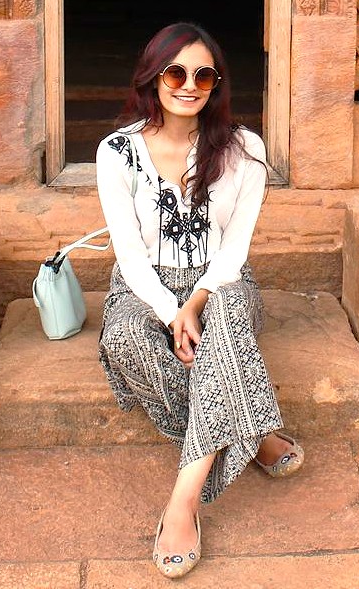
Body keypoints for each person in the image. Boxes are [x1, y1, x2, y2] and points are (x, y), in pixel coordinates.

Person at [95, 22, 304, 578]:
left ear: (216, 83)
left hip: (223, 278)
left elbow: (235, 245)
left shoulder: (243, 149)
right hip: (145, 286)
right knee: (125, 338)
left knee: (227, 320)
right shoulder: (117, 152)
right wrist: (172, 310)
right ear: (153, 77)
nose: (189, 84)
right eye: (176, 72)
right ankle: (252, 430)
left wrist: (198, 301)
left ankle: (183, 501)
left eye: (203, 74)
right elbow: (130, 256)